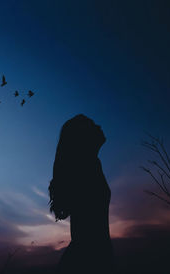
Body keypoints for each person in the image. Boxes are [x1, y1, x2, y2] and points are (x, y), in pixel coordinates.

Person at [49, 114, 114, 274]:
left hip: (91, 255)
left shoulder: (91, 163)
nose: (98, 126)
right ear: (83, 137)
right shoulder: (85, 166)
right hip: (89, 258)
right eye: (92, 125)